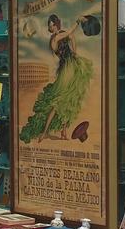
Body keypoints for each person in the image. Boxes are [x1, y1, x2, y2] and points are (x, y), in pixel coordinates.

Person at [18, 13, 94, 144]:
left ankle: (63, 131)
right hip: (66, 70)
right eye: (50, 25)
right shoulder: (54, 39)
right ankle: (44, 131)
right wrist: (77, 20)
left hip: (73, 66)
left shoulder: (62, 34)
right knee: (58, 103)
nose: (52, 27)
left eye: (53, 24)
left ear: (57, 24)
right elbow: (69, 33)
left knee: (69, 101)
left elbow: (71, 37)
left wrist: (75, 52)